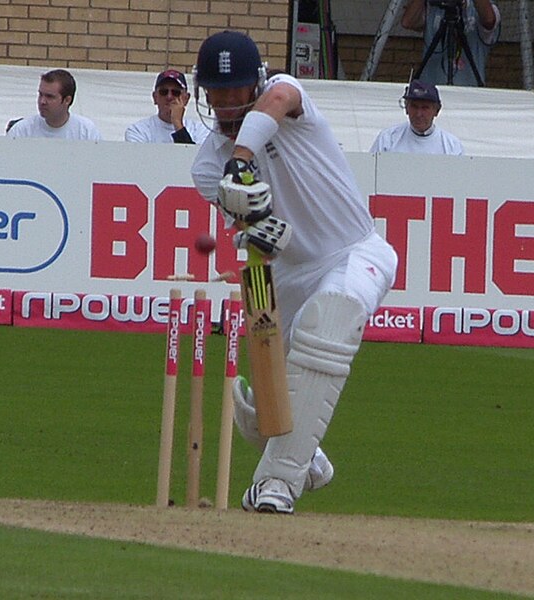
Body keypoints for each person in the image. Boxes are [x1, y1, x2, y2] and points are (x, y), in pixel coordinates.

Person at [190, 31, 397, 514]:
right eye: (216, 93)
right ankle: (308, 459)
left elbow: (279, 99)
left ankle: (276, 485)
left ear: (256, 83)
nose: (225, 102)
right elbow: (261, 233)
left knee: (332, 317)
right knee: (265, 409)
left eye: (235, 90)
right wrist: (253, 224)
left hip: (354, 253)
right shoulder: (206, 164)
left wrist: (241, 161)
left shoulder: (284, 95)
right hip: (281, 274)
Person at [402, 0, 501, 86]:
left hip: (467, 90)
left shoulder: (481, 8)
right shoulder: (433, 6)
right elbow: (408, 22)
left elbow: (489, 20)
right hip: (430, 90)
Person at [369, 79, 463, 155]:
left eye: (425, 108)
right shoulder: (388, 139)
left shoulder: (452, 146)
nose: (419, 114)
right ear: (406, 108)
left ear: (436, 111)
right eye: (414, 106)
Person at [7, 69, 101, 140]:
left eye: (50, 97)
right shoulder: (21, 131)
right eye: (40, 94)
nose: (42, 101)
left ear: (67, 100)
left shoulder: (87, 132)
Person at [124, 69, 209, 144]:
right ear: (155, 97)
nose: (169, 97)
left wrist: (178, 124)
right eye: (163, 92)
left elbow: (193, 159)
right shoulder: (138, 130)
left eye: (176, 92)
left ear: (186, 99)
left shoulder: (199, 131)